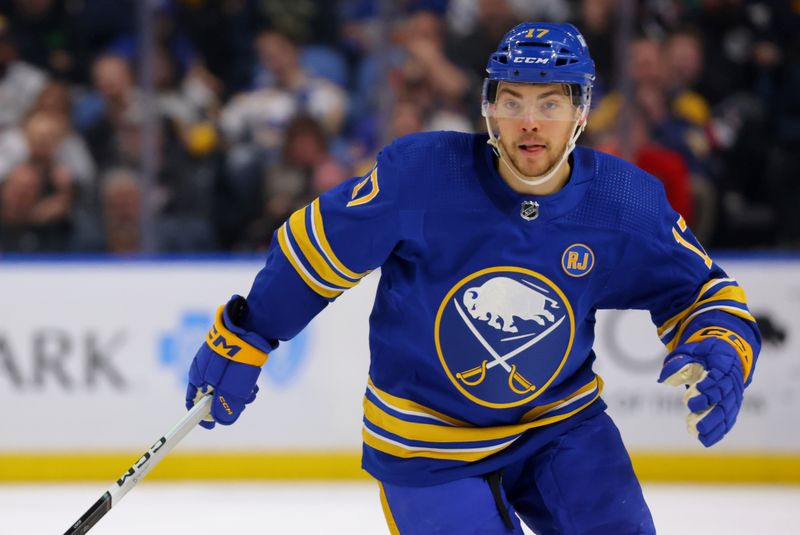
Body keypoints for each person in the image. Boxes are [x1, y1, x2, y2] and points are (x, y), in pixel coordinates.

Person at [185, 23, 761, 534]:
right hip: (425, 441)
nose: (530, 123)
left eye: (550, 104)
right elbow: (317, 248)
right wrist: (253, 329)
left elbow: (702, 291)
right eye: (512, 101)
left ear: (581, 112)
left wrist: (723, 347)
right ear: (488, 108)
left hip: (559, 425)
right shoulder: (424, 176)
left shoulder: (621, 202)